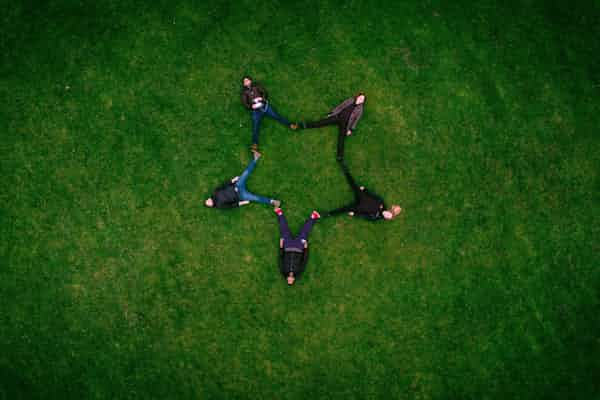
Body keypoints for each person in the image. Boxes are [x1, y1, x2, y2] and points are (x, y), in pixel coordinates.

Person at [298, 93, 365, 161]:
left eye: (362, 100)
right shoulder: (350, 100)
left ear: (362, 102)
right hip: (337, 117)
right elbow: (340, 106)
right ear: (357, 96)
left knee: (341, 139)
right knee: (321, 122)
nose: (361, 100)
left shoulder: (360, 109)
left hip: (345, 124)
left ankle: (340, 156)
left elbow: (356, 120)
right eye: (360, 98)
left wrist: (351, 129)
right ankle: (305, 125)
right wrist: (331, 113)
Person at [204, 151, 281, 208]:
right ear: (211, 206)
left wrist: (233, 180)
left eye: (207, 200)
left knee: (245, 173)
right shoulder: (220, 205)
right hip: (241, 195)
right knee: (255, 198)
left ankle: (255, 158)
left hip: (237, 185)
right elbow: (232, 205)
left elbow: (223, 185)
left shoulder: (215, 192)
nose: (208, 201)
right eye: (208, 203)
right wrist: (244, 202)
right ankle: (273, 201)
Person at [327, 161, 402, 220]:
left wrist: (355, 214)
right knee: (353, 183)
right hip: (362, 196)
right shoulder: (381, 203)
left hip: (360, 207)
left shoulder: (376, 216)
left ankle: (329, 214)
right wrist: (365, 190)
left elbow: (365, 216)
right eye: (389, 212)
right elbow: (373, 195)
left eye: (387, 216)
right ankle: (344, 167)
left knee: (345, 209)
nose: (386, 214)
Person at [240, 76, 297, 152]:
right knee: (255, 126)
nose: (246, 82)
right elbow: (245, 103)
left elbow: (264, 93)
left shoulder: (257, 86)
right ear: (244, 84)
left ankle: (290, 125)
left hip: (265, 106)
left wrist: (262, 99)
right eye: (245, 81)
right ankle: (254, 144)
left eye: (247, 80)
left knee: (277, 116)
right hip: (256, 111)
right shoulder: (244, 92)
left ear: (250, 80)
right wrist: (251, 106)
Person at [275, 207, 320, 285]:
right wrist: (306, 248)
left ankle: (279, 213)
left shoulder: (283, 270)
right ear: (294, 279)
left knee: (284, 230)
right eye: (291, 281)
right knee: (304, 233)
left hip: (287, 247)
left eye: (288, 280)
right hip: (299, 248)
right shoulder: (299, 271)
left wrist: (281, 246)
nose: (290, 279)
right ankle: (313, 216)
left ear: (287, 279)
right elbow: (304, 259)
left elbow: (280, 257)